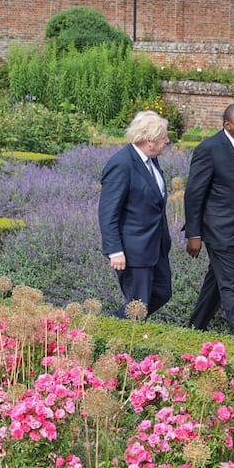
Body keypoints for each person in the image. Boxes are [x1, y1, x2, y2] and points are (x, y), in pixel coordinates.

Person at [183, 103, 234, 338]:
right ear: (227, 125)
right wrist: (194, 234)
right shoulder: (209, 149)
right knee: (230, 286)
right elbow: (194, 195)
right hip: (220, 231)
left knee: (217, 281)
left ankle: (194, 329)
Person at [98, 110, 172, 320]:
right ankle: (115, 332)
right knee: (138, 305)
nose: (167, 141)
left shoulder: (151, 160)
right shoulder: (121, 164)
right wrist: (114, 250)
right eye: (163, 137)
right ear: (149, 140)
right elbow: (108, 212)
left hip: (155, 246)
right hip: (134, 249)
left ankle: (115, 325)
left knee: (162, 292)